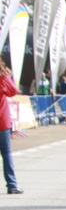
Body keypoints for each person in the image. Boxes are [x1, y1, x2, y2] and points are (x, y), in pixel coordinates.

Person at [0, 59, 21, 194]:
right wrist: (6, 75)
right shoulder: (2, 76)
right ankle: (12, 185)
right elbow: (13, 91)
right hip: (2, 121)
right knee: (6, 153)